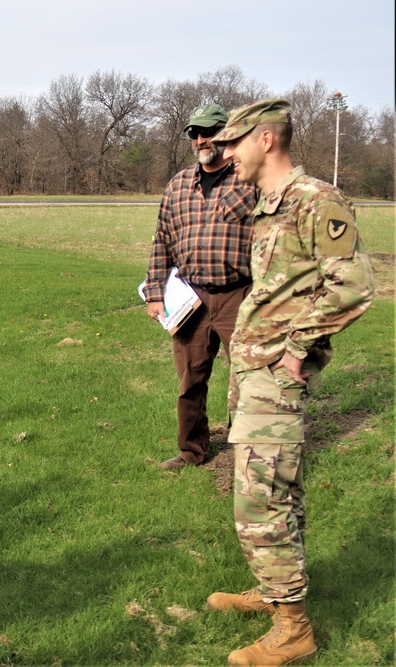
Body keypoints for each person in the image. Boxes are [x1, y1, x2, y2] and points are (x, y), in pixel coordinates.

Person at [206, 99, 375, 666]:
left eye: (234, 142)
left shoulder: (317, 201)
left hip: (276, 376)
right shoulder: (269, 205)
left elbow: (351, 286)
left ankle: (294, 628)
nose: (225, 152)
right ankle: (276, 592)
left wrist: (299, 349)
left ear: (266, 140)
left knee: (261, 501)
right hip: (254, 371)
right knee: (277, 493)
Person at [144, 104, 259, 470]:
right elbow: (161, 241)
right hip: (190, 299)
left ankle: (253, 455)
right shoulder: (178, 184)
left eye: (208, 131)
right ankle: (191, 451)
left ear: (227, 134)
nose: (200, 139)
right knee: (190, 380)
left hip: (239, 294)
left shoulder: (249, 180)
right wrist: (154, 293)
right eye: (194, 133)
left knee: (251, 376)